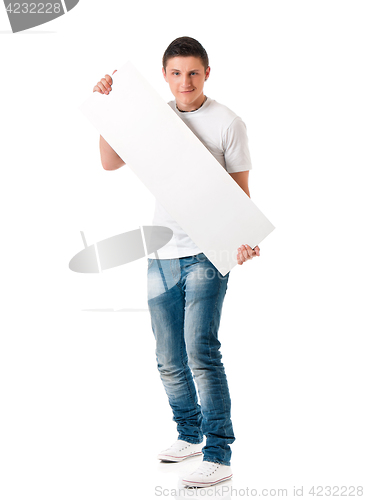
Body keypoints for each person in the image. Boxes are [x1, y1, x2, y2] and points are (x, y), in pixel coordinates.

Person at [93, 36, 260, 488]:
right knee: (168, 357)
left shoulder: (228, 123)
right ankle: (188, 434)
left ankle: (219, 453)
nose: (184, 81)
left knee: (200, 352)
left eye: (193, 72)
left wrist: (242, 240)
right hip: (163, 252)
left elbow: (240, 191)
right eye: (175, 73)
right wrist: (108, 109)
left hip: (209, 250)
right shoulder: (155, 118)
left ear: (207, 73)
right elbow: (110, 162)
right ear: (164, 76)